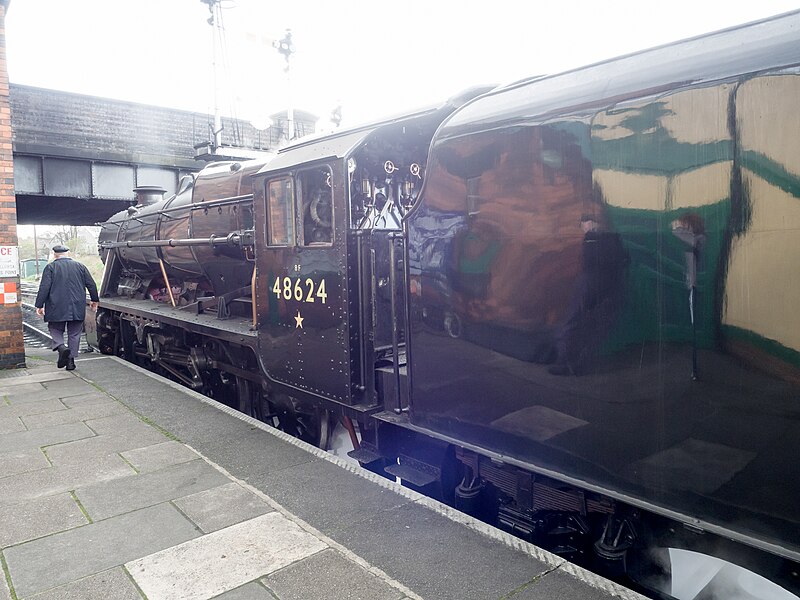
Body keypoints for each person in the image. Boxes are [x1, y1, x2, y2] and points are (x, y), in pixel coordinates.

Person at [34, 244, 99, 371]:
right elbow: (91, 284)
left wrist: (39, 305)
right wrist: (94, 300)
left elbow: (44, 288)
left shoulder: (50, 267)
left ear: (54, 254)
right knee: (74, 333)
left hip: (55, 306)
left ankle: (60, 346)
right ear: (68, 253)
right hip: (76, 306)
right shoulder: (80, 266)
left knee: (55, 329)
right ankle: (70, 362)